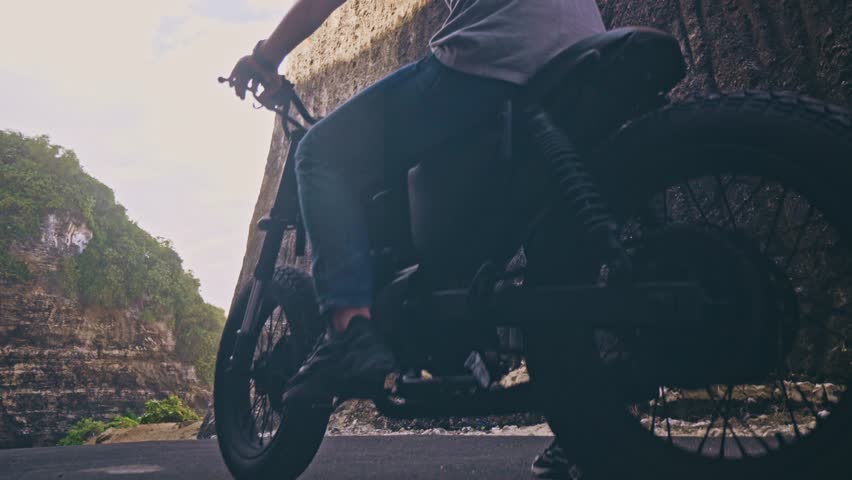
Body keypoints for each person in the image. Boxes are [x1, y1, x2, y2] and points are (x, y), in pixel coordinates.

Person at [226, 1, 605, 477]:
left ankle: (349, 331)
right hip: (584, 50)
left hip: (498, 51)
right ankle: (585, 424)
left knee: (322, 152)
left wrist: (267, 57)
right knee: (550, 244)